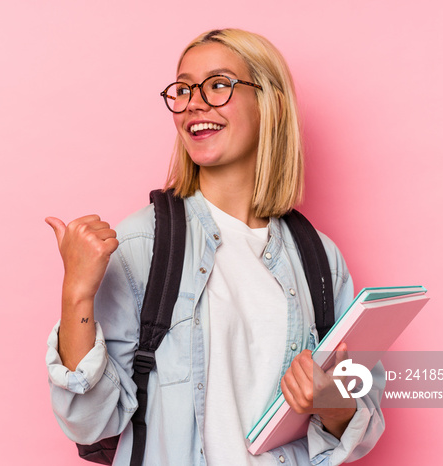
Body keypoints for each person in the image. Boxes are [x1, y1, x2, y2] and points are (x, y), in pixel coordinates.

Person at [45, 28, 385, 466]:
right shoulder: (141, 246)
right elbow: (91, 423)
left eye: (219, 85)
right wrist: (76, 292)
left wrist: (332, 403)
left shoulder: (320, 261)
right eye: (183, 89)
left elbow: (363, 420)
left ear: (271, 104)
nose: (194, 103)